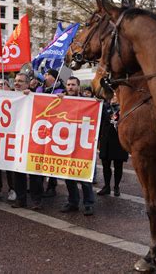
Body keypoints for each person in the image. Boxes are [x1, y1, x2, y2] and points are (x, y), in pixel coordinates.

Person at [57, 76, 95, 216]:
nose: (70, 87)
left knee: (84, 177)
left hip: (82, 144)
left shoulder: (88, 102)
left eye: (73, 84)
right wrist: (57, 100)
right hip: (66, 144)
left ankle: (88, 204)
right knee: (68, 175)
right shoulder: (60, 99)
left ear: (78, 87)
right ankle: (73, 202)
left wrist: (97, 103)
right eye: (68, 84)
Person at [11, 73, 44, 210]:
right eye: (16, 81)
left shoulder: (34, 96)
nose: (17, 83)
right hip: (15, 141)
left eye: (21, 81)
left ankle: (37, 200)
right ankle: (21, 199)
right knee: (17, 173)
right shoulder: (7, 96)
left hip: (31, 139)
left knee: (34, 173)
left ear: (28, 84)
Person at [36, 69, 65, 197]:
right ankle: (38, 185)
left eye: (47, 74)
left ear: (54, 78)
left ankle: (52, 186)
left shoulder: (60, 91)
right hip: (40, 127)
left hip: (54, 128)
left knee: (51, 158)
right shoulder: (39, 89)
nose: (45, 76)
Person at [97, 93, 129, 197]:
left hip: (119, 141)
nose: (114, 97)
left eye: (116, 95)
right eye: (113, 95)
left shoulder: (125, 108)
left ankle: (116, 186)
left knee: (118, 166)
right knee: (106, 165)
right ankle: (106, 186)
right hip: (106, 140)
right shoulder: (104, 107)